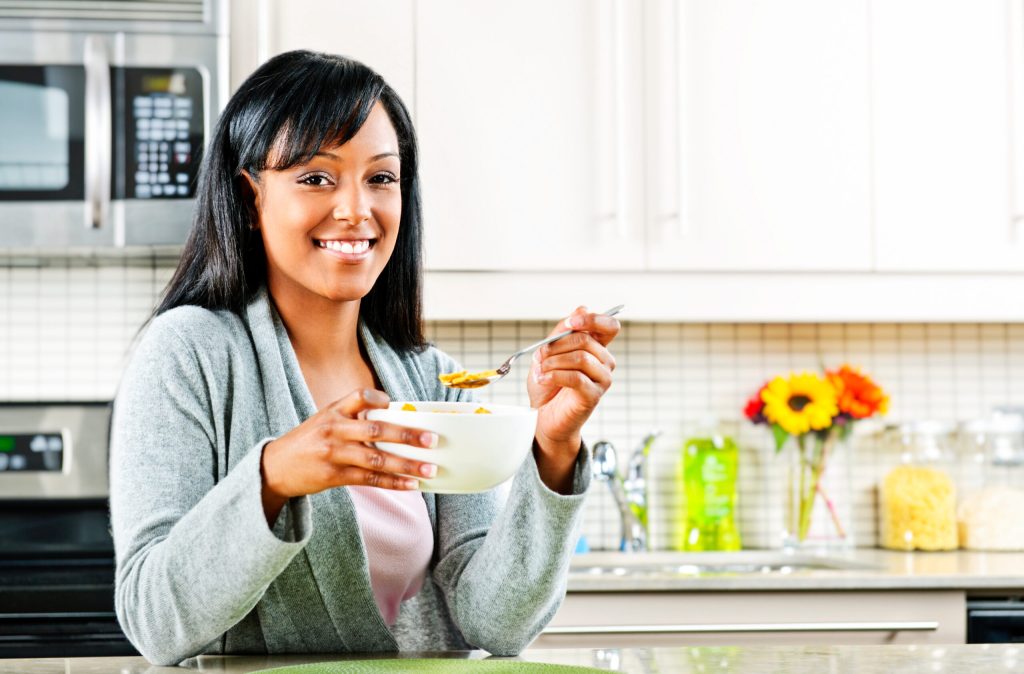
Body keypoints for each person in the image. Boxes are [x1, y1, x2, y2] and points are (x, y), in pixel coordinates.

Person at [109, 50, 620, 666]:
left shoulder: (435, 380)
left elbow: (496, 623)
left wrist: (555, 451)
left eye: (380, 178)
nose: (357, 210)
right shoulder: (189, 354)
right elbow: (152, 620)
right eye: (316, 178)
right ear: (250, 198)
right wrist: (274, 479)